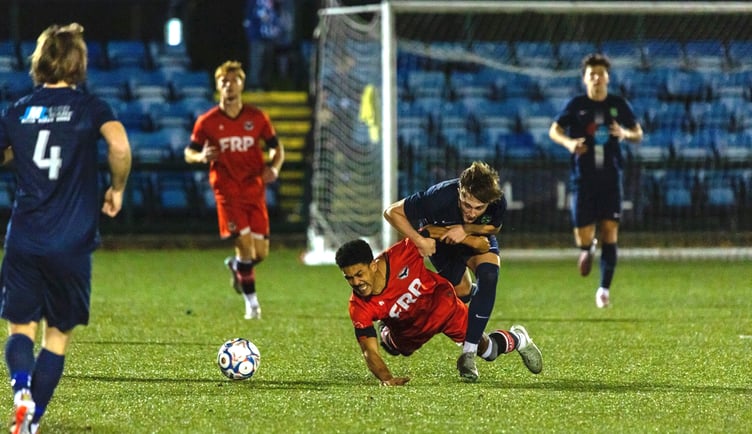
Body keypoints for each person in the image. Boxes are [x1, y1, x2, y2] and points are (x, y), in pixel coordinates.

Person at [0, 23, 132, 434]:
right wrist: (117, 188)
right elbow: (120, 145)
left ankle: (20, 389)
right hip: (71, 242)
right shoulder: (90, 108)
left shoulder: (16, 110)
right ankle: (33, 419)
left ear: (39, 63)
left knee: (20, 327)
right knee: (56, 336)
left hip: (24, 236)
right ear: (78, 64)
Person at [335, 238, 542, 386]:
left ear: (373, 265)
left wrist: (469, 238)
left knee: (488, 351)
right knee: (396, 348)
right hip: (409, 330)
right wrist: (387, 379)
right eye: (349, 278)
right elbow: (369, 352)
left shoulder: (404, 252)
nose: (356, 283)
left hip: (445, 308)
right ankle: (387, 332)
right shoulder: (358, 306)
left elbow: (435, 231)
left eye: (359, 274)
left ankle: (518, 338)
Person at [383, 161, 506, 382]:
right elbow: (391, 212)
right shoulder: (438, 197)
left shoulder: (496, 199)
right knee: (461, 293)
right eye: (467, 205)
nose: (472, 212)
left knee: (489, 275)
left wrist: (466, 230)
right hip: (443, 246)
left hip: (473, 241)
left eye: (479, 208)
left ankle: (468, 353)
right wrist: (420, 240)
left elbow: (493, 227)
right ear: (460, 190)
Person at [185, 60, 284, 320]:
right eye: (223, 81)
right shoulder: (207, 121)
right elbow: (189, 153)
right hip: (227, 192)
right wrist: (200, 157)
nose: (229, 85)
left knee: (259, 254)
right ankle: (252, 304)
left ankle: (236, 265)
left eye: (234, 80)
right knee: (245, 247)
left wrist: (274, 167)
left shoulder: (256, 117)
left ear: (242, 84)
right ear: (217, 86)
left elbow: (276, 147)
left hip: (254, 190)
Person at [548, 53, 643, 309]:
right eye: (592, 75)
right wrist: (568, 142)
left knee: (611, 230)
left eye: (601, 74)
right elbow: (554, 130)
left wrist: (624, 132)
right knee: (583, 236)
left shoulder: (618, 104)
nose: (597, 78)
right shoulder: (576, 104)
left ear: (608, 78)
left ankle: (603, 289)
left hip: (611, 178)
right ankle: (587, 248)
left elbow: (638, 132)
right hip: (583, 180)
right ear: (585, 79)